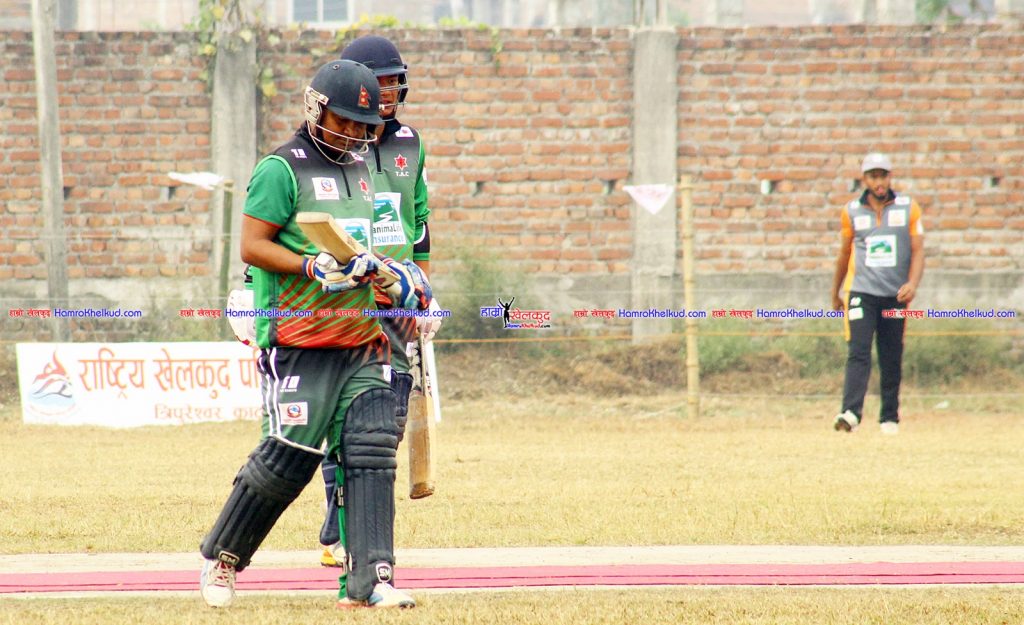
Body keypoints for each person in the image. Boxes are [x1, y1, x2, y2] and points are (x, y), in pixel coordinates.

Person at [198, 59, 431, 610]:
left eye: (361, 126)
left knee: (371, 449)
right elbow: (252, 246)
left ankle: (369, 581)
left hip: (363, 338)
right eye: (342, 121)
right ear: (316, 109)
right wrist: (310, 266)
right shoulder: (281, 168)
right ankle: (224, 557)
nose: (350, 133)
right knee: (291, 456)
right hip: (300, 339)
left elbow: (370, 244)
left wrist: (393, 277)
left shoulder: (364, 170)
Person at [317, 35, 441, 570]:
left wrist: (424, 295)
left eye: (394, 82)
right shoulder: (336, 142)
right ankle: (339, 526)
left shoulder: (412, 142)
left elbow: (421, 223)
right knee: (348, 416)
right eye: (379, 82)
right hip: (349, 293)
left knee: (387, 419)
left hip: (398, 297)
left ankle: (348, 524)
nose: (388, 92)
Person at [830, 152, 924, 435]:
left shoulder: (908, 208)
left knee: (891, 353)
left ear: (890, 177)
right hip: (861, 292)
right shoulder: (851, 211)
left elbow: (918, 251)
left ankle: (889, 417)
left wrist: (912, 284)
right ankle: (851, 413)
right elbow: (844, 253)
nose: (879, 182)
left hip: (895, 295)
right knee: (858, 351)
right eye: (873, 176)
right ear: (865, 180)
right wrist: (835, 291)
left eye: (883, 176)